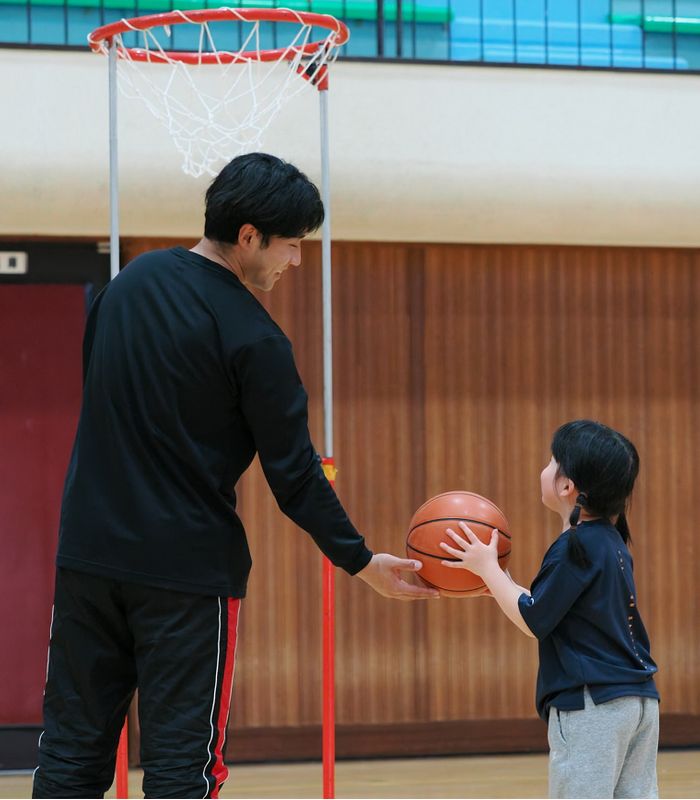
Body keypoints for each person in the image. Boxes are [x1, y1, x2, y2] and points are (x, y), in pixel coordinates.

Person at [32, 153, 438, 800]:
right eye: (290, 246)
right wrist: (363, 563)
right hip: (187, 580)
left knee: (70, 759)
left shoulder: (128, 285)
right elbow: (296, 478)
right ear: (249, 236)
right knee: (180, 772)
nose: (295, 262)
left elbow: (101, 399)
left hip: (87, 561)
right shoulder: (255, 338)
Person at [440, 420, 659, 799]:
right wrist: (499, 586)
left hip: (593, 707)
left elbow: (534, 619)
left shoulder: (573, 547)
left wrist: (488, 567)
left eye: (551, 461)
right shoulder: (610, 543)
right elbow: (555, 610)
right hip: (638, 702)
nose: (545, 468)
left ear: (566, 486)